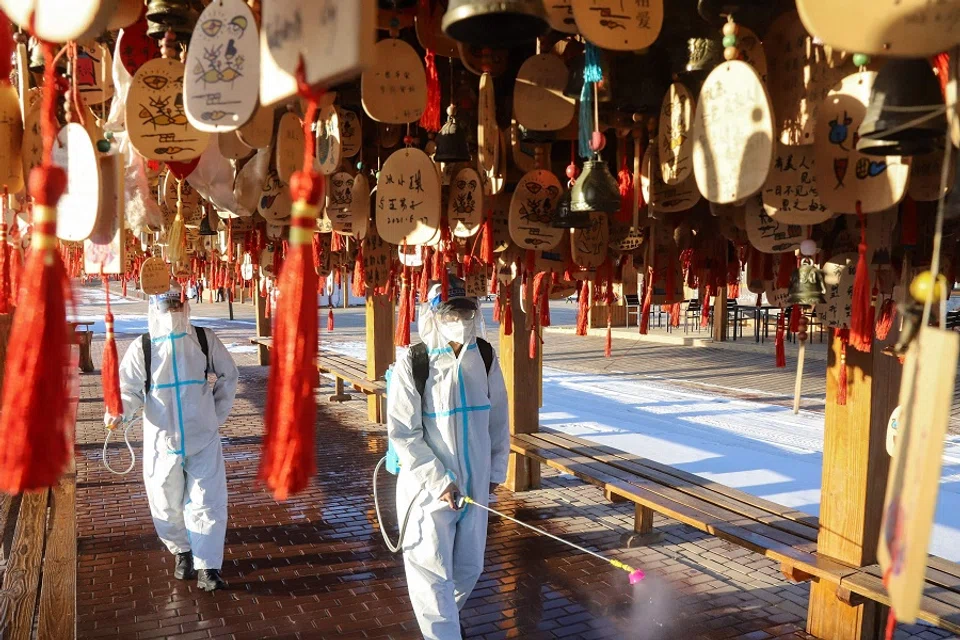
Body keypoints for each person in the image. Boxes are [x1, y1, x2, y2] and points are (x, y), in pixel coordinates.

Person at [387, 276, 510, 639]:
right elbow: (403, 433)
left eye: (465, 309)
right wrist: (439, 480)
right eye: (450, 310)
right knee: (431, 571)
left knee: (469, 568)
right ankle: (443, 632)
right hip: (428, 491)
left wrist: (494, 473)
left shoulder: (484, 357)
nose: (459, 317)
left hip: (474, 490)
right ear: (434, 313)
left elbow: (499, 421)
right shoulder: (417, 360)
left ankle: (444, 623)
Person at [104, 286, 239, 592]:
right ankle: (182, 552)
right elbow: (128, 389)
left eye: (178, 302)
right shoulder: (144, 347)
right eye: (167, 303)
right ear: (155, 306)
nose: (173, 309)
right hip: (161, 439)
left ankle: (208, 567)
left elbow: (229, 375)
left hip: (202, 437)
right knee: (165, 500)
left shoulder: (204, 339)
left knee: (208, 500)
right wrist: (120, 410)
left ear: (185, 304)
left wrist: (215, 415)